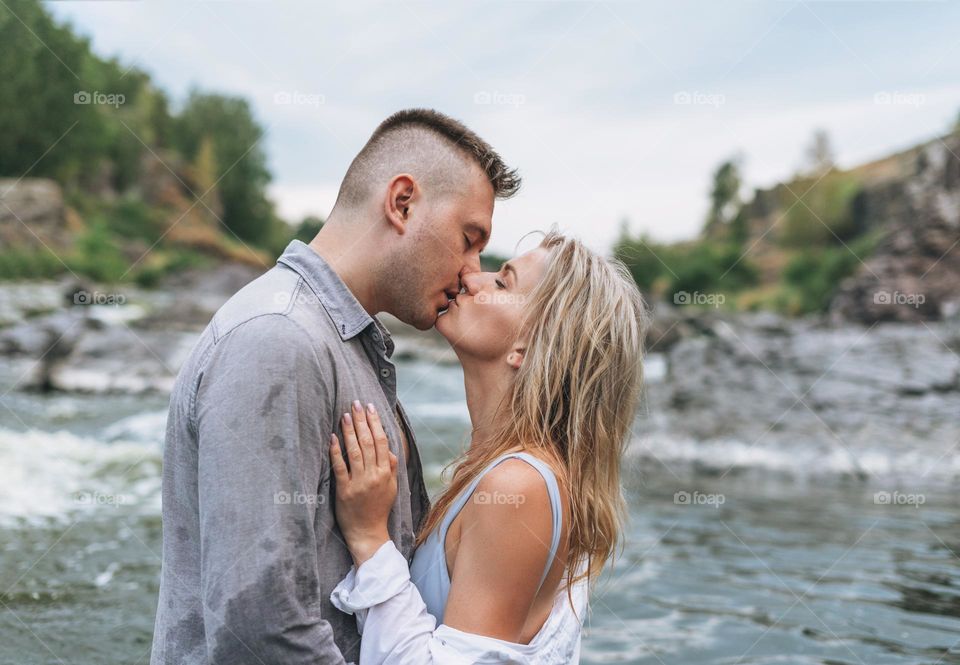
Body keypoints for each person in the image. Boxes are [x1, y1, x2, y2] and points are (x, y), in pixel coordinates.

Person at [150, 108, 520, 665]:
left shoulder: (342, 343)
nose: (472, 270)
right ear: (402, 203)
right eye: (469, 239)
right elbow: (260, 630)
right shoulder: (278, 339)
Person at [328, 230, 650, 663]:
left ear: (528, 345)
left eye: (502, 283)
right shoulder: (502, 470)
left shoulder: (519, 486)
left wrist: (369, 539)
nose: (472, 276)